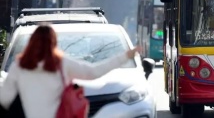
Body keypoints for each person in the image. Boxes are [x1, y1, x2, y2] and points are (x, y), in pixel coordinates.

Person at [0, 24, 140, 118]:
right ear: (53, 43)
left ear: (31, 42)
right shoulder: (61, 64)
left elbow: (5, 98)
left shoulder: (20, 65)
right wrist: (124, 56)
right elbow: (94, 72)